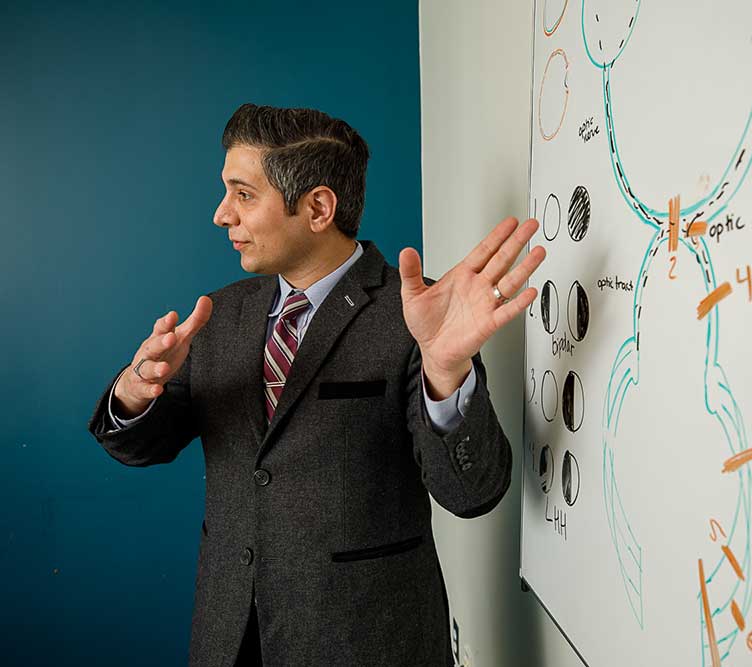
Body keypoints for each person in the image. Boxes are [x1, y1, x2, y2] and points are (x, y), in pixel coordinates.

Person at [86, 103, 545, 666]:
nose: (220, 214)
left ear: (318, 207)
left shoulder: (419, 315)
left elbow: (472, 495)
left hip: (369, 644)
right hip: (230, 641)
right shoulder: (219, 317)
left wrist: (447, 374)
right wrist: (135, 389)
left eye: (243, 194)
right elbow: (137, 446)